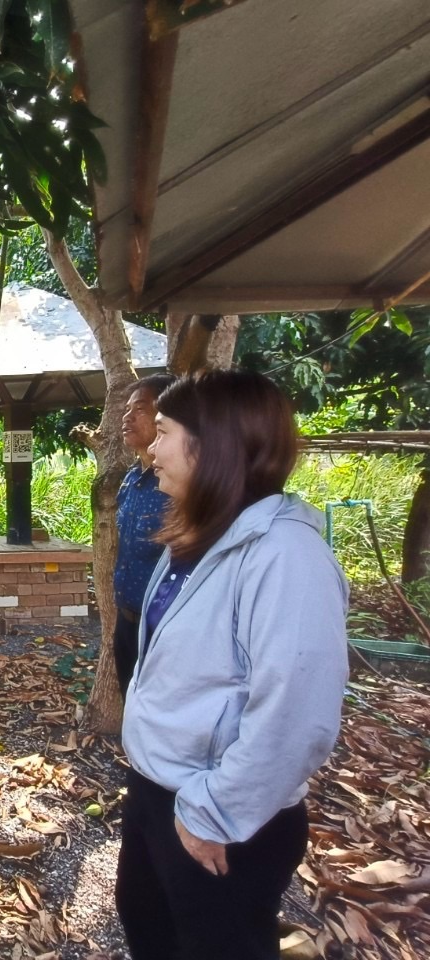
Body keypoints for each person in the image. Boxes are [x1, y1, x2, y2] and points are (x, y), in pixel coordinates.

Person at [116, 370, 349, 960]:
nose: (152, 447)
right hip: (159, 788)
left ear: (211, 443)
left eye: (164, 431)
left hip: (215, 811)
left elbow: (297, 713)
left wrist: (214, 812)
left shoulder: (285, 556)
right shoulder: (198, 536)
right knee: (149, 924)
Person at [112, 373, 175, 695]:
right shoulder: (132, 478)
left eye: (140, 409)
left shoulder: (182, 484)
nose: (127, 417)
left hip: (167, 628)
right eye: (126, 409)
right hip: (127, 623)